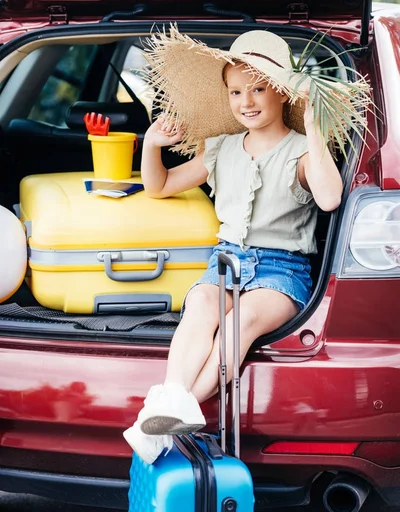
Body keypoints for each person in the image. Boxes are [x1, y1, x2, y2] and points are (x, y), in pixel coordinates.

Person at [122, 27, 365, 464]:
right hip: (226, 260)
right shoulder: (221, 149)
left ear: (282, 94)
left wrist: (313, 126)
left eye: (258, 89)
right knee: (199, 307)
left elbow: (330, 198)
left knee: (243, 321)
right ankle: (170, 406)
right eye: (236, 92)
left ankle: (155, 421)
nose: (246, 102)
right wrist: (152, 146)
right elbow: (160, 187)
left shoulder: (303, 152)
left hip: (282, 270)